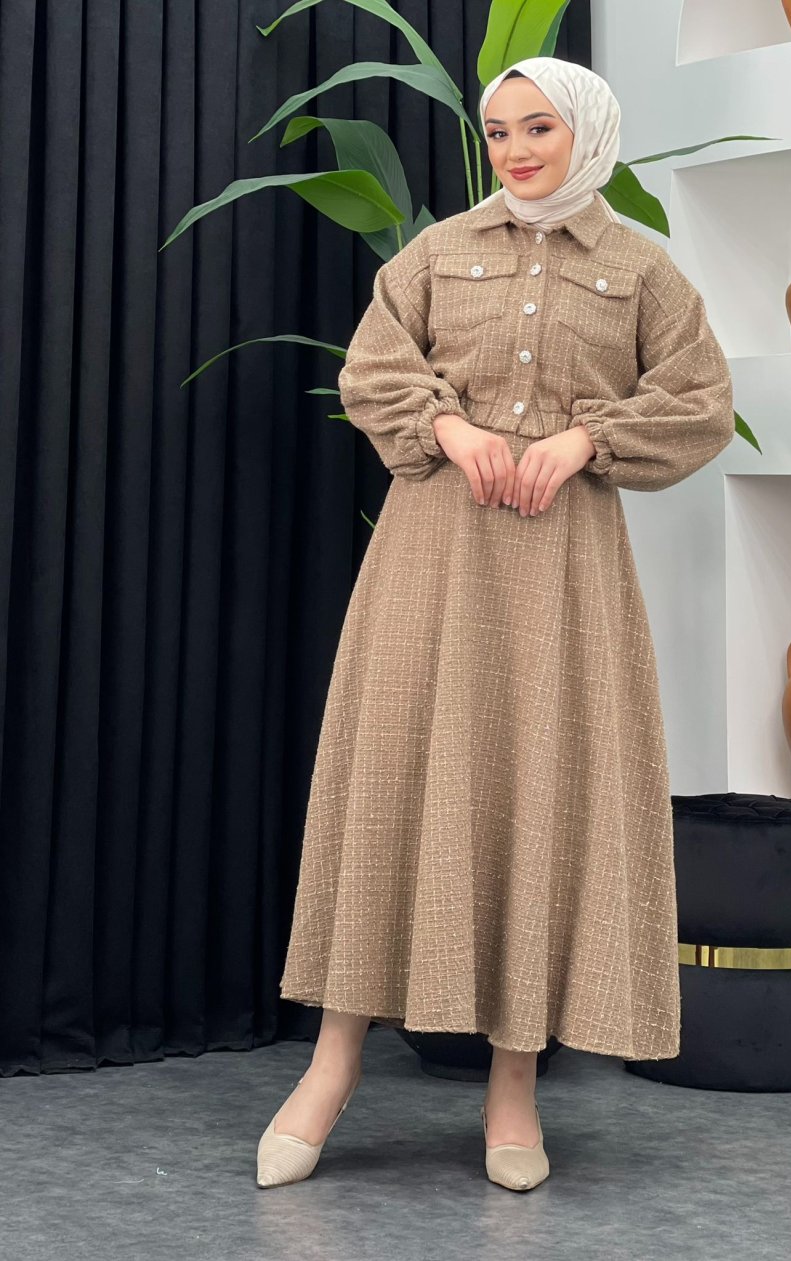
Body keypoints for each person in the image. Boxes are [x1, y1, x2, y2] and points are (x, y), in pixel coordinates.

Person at [256, 56, 734, 1193]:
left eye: (538, 129)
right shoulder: (436, 252)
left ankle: (513, 1090)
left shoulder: (640, 269)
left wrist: (586, 440)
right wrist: (452, 430)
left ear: (586, 135)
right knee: (391, 785)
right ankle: (330, 1067)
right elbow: (375, 369)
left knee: (540, 795)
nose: (515, 151)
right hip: (430, 555)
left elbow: (701, 401)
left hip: (566, 573)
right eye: (499, 131)